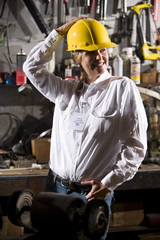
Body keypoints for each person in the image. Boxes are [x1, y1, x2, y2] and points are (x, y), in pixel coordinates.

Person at [23, 17, 148, 239]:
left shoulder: (122, 88)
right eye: (91, 52)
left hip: (92, 194)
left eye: (102, 50)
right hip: (56, 189)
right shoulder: (66, 91)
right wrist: (59, 33)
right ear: (78, 57)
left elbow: (135, 145)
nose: (100, 57)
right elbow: (31, 67)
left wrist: (109, 184)